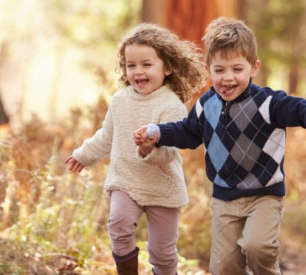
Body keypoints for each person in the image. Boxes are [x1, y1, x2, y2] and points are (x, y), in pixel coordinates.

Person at [134, 17, 306, 275]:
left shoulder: (267, 103)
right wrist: (157, 133)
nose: (227, 78)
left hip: (264, 194)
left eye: (237, 69)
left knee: (258, 248)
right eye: (219, 70)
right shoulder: (206, 105)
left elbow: (301, 109)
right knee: (224, 266)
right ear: (209, 69)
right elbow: (188, 133)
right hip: (224, 198)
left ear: (254, 68)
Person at [65, 23, 207, 275]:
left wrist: (148, 149)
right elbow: (106, 136)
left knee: (162, 256)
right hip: (126, 180)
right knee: (118, 225)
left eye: (146, 64)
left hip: (162, 187)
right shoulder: (120, 100)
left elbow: (168, 156)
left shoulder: (171, 106)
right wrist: (82, 155)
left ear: (168, 67)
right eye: (131, 65)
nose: (138, 71)